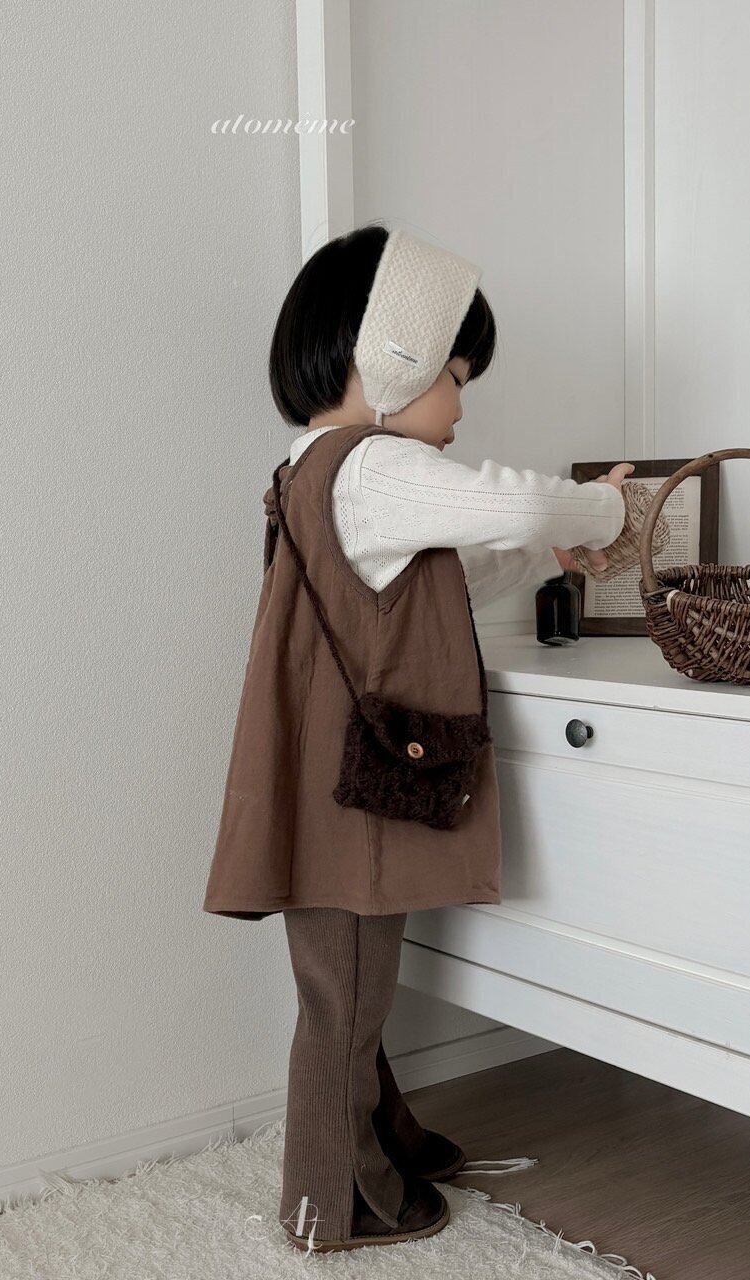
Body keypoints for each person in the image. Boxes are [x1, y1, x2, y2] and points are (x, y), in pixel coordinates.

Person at [202, 224, 631, 1253]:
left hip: (335, 779)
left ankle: (382, 1140)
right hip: (349, 798)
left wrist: (548, 554)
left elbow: (442, 575)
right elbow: (513, 503)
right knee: (344, 997)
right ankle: (330, 1200)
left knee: (350, 990)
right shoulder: (369, 466)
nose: (460, 408)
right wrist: (606, 506)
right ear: (391, 359)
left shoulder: (325, 473)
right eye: (454, 376)